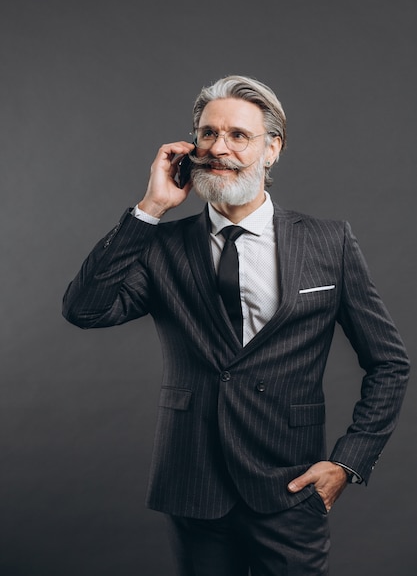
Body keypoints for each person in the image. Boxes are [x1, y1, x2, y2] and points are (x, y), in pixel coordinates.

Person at [62, 75, 409, 575]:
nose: (219, 148)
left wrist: (347, 463)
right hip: (192, 486)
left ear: (272, 149)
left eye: (238, 136)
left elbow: (389, 363)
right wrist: (151, 208)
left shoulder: (328, 243)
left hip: (290, 487)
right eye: (207, 134)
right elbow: (84, 309)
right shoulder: (160, 245)